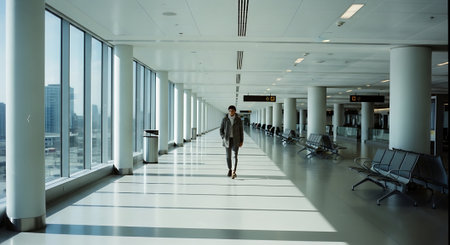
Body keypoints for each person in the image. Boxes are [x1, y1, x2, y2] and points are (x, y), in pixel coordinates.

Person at [220, 105, 244, 179]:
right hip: (227, 140)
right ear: (228, 111)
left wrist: (241, 140)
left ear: (235, 111)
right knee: (228, 156)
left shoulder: (238, 120)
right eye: (230, 110)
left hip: (236, 140)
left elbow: (241, 131)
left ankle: (234, 171)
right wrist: (223, 137)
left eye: (232, 110)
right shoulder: (225, 119)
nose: (231, 112)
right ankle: (230, 169)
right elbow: (221, 129)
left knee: (235, 156)